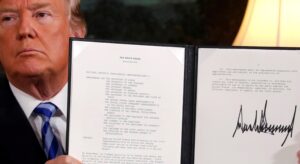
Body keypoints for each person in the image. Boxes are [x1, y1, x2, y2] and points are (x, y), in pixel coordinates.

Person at [0, 0, 86, 163]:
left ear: (75, 32)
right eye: (8, 18)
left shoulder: (127, 109)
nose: (24, 30)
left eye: (41, 15)